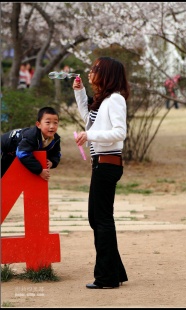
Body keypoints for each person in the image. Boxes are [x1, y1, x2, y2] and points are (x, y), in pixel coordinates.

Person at [72, 56, 129, 289]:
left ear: (106, 73)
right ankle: (115, 272)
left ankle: (106, 278)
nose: (89, 71)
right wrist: (80, 93)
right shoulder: (104, 100)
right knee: (97, 218)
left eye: (94, 69)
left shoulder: (115, 99)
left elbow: (119, 132)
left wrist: (91, 136)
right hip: (101, 164)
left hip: (107, 164)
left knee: (102, 220)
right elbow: (90, 122)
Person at [1, 107, 61, 179]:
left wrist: (52, 162)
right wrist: (39, 171)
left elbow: (56, 154)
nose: (52, 126)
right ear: (38, 124)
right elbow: (22, 153)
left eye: (55, 123)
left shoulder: (56, 139)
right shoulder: (31, 136)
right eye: (48, 122)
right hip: (4, 147)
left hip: (14, 152)